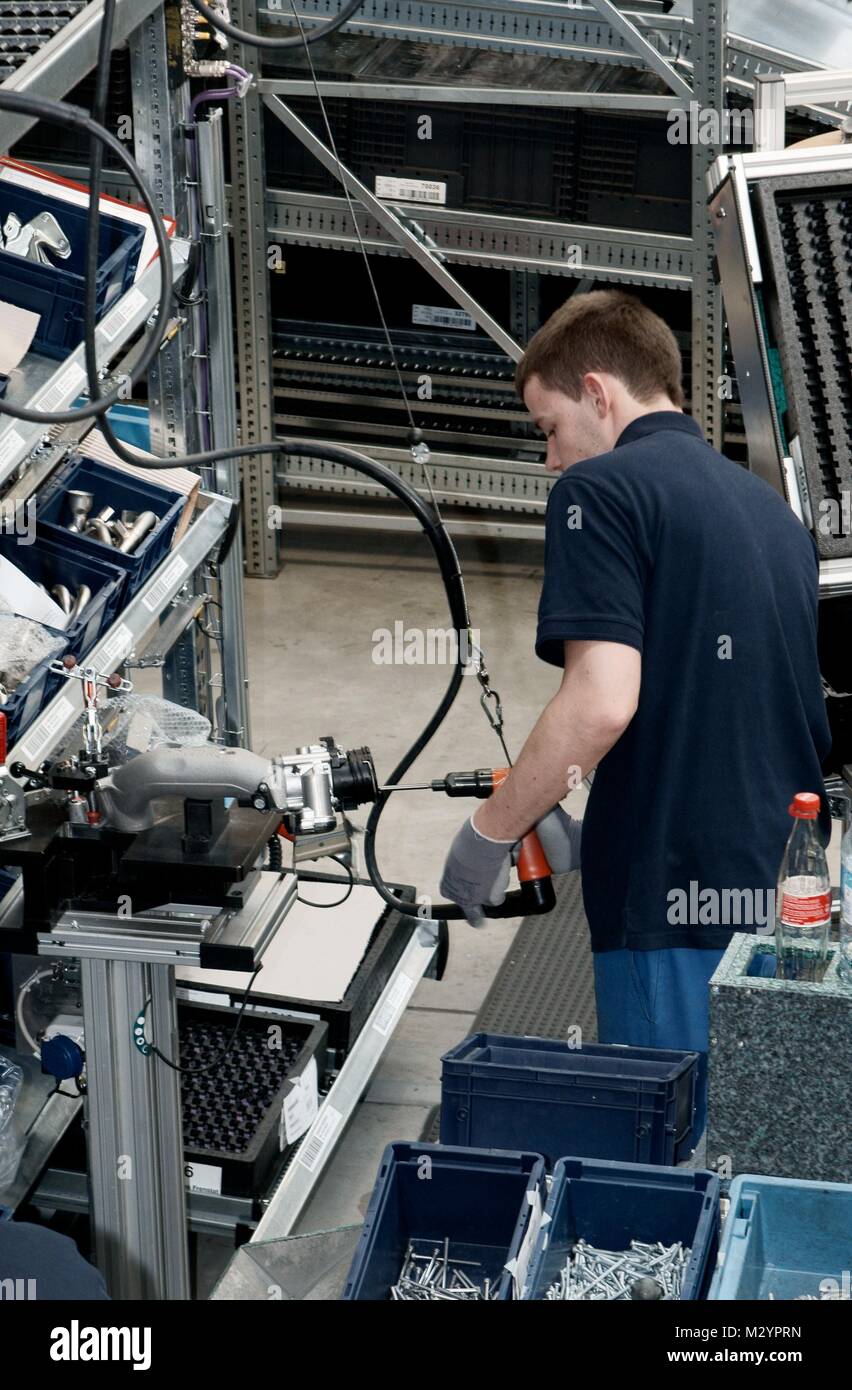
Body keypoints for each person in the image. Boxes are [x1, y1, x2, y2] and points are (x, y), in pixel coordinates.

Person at [440, 288, 830, 1143]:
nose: (551, 464)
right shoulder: (773, 512)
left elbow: (604, 700)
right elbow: (728, 695)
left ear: (598, 392)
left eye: (547, 429)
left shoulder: (604, 493)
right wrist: (583, 801)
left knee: (675, 1157)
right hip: (783, 887)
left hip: (673, 895)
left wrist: (495, 830)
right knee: (762, 1139)